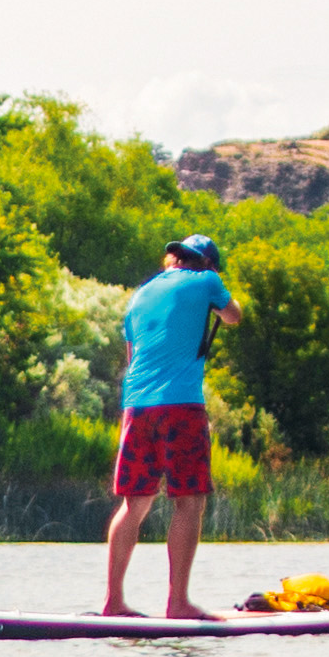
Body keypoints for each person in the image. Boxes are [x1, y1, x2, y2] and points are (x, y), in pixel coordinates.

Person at [100, 231, 233, 622]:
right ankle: (178, 603)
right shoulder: (207, 280)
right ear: (205, 263)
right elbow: (234, 315)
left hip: (136, 407)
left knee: (134, 503)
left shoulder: (139, 296)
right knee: (189, 500)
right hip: (182, 407)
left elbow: (132, 355)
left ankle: (114, 603)